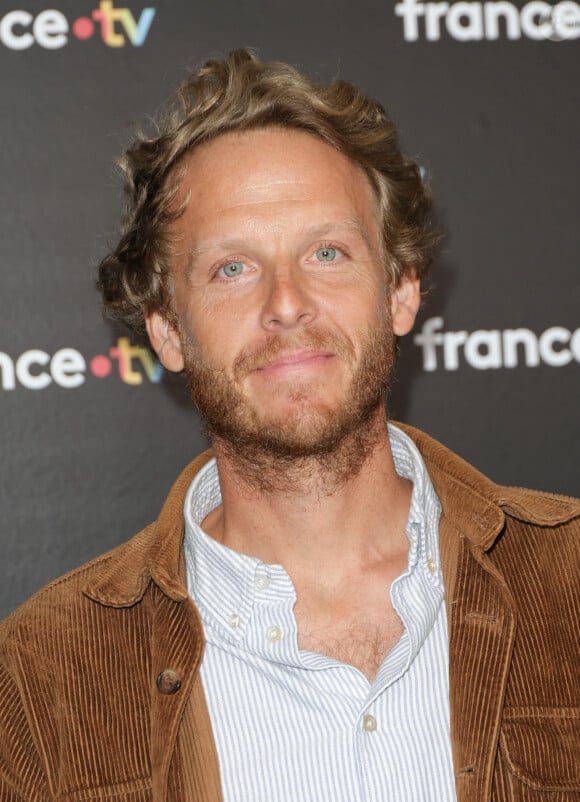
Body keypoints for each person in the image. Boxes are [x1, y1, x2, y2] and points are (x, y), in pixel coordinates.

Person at [0, 49, 578, 802]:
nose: (286, 302)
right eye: (231, 269)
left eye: (327, 252)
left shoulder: (567, 582)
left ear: (400, 292)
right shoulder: (43, 676)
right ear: (169, 332)